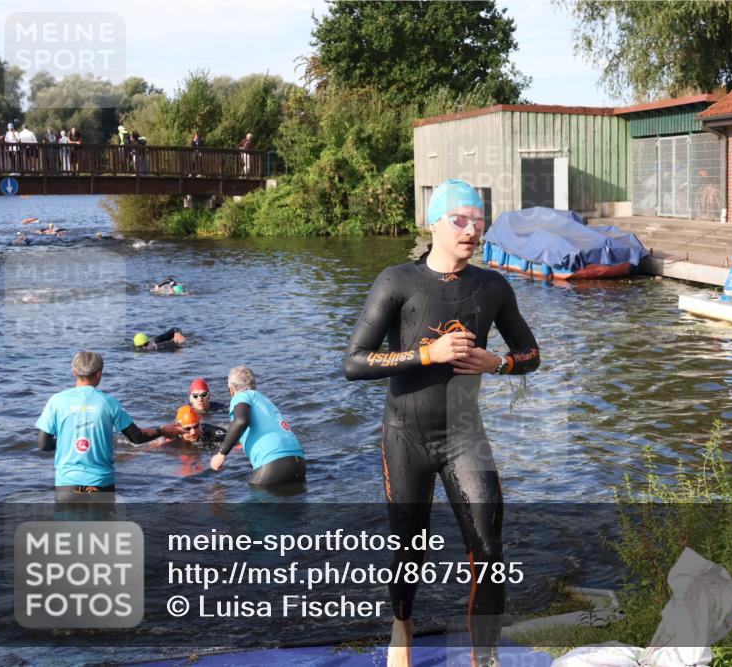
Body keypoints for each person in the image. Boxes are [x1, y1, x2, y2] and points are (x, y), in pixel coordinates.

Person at [343, 179, 540, 667]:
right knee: (409, 550)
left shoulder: (492, 287)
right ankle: (402, 627)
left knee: (489, 548)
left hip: (464, 436)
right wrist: (424, 354)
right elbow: (354, 362)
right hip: (405, 436)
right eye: (460, 220)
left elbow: (531, 353)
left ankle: (484, 658)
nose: (472, 230)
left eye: (479, 221)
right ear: (433, 223)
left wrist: (498, 365)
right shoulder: (397, 281)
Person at [35, 350, 183, 501]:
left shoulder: (56, 401)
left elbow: (42, 445)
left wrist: (66, 443)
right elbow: (137, 437)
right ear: (99, 374)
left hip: (66, 486)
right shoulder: (109, 402)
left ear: (74, 372)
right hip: (101, 484)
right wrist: (162, 430)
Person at [210, 365, 306, 486]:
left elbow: (241, 421)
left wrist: (221, 454)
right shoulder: (265, 400)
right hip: (299, 462)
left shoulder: (240, 396)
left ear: (231, 389)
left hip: (274, 462)